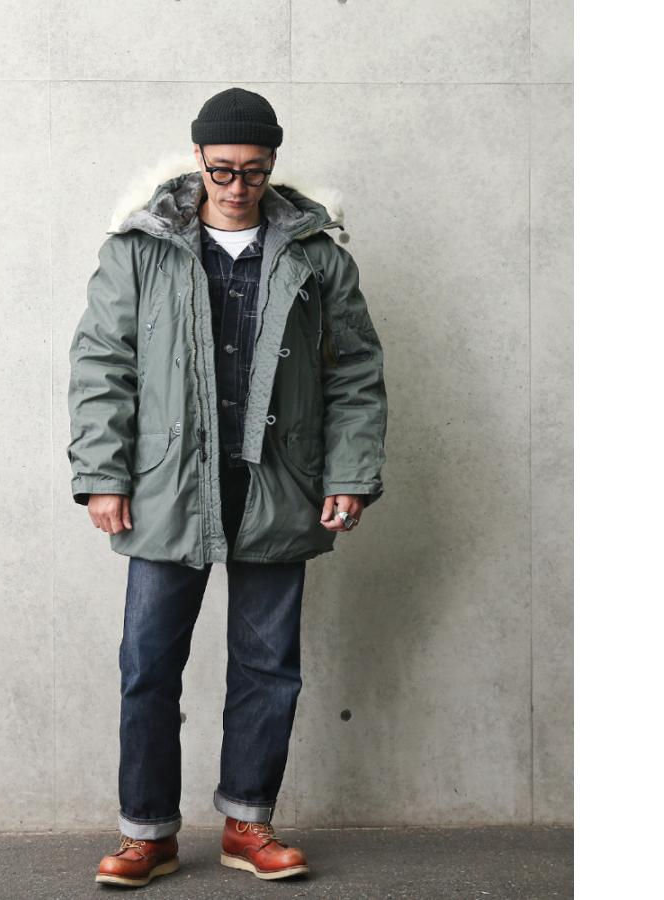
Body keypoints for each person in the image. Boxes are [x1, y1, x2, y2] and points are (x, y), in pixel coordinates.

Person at [67, 87, 388, 887]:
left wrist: (350, 473)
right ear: (198, 160)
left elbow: (354, 372)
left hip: (279, 483)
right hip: (167, 485)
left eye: (252, 170)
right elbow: (101, 366)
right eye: (221, 170)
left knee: (268, 665)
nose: (237, 186)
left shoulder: (317, 255)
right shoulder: (140, 248)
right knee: (148, 664)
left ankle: (248, 823)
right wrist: (103, 475)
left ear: (273, 163)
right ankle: (147, 834)